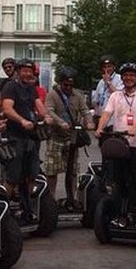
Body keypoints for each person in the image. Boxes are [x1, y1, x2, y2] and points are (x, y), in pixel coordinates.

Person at [95, 62, 136, 227]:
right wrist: (100, 128)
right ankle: (120, 214)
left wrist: (135, 129)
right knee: (118, 181)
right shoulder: (116, 96)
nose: (128, 78)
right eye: (126, 75)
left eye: (132, 75)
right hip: (120, 145)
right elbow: (106, 113)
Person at [0, 58, 50, 224]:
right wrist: (21, 121)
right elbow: (7, 108)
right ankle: (2, 212)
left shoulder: (31, 89)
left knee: (32, 175)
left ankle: (27, 208)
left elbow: (39, 106)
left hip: (29, 138)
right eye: (24, 71)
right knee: (13, 177)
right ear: (18, 71)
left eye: (30, 71)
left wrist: (46, 116)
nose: (28, 74)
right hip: (15, 137)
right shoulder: (11, 87)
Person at [43, 66, 93, 210]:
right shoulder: (52, 94)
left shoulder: (77, 95)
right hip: (55, 137)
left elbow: (85, 110)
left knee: (72, 171)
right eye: (66, 85)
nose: (68, 87)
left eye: (71, 85)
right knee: (52, 171)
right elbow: (49, 111)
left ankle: (73, 198)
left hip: (72, 139)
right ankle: (50, 201)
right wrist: (60, 122)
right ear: (60, 82)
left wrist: (89, 121)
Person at [93, 55, 124, 128]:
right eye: (104, 67)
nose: (107, 69)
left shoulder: (120, 79)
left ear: (114, 67)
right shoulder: (101, 82)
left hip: (114, 121)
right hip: (102, 120)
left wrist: (108, 82)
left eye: (109, 66)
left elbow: (118, 97)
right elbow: (95, 101)